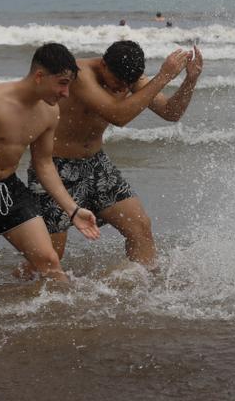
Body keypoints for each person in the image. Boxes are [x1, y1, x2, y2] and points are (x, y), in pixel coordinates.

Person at [21, 40, 202, 275]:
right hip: (54, 167)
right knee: (49, 257)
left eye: (127, 85)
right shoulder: (79, 74)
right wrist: (164, 76)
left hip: (96, 164)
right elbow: (118, 115)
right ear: (104, 65)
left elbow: (171, 112)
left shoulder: (129, 77)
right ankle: (19, 292)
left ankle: (143, 293)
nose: (120, 90)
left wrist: (191, 79)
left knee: (140, 227)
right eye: (116, 83)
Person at [0, 43, 101, 287]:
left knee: (50, 262)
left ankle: (63, 321)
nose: (66, 93)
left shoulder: (49, 112)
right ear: (39, 76)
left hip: (10, 190)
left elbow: (44, 164)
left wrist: (73, 210)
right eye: (62, 83)